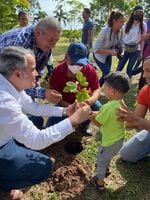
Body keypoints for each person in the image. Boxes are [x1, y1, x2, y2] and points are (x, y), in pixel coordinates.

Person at [0, 46, 93, 200]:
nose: (37, 74)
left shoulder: (10, 84)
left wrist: (65, 112)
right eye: (33, 69)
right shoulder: (4, 101)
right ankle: (4, 187)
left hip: (4, 137)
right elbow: (36, 140)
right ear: (17, 74)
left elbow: (32, 107)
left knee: (35, 120)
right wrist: (74, 120)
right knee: (44, 167)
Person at [0, 16, 62, 104]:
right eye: (51, 40)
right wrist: (42, 93)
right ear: (38, 33)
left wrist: (38, 91)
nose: (53, 46)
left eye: (56, 41)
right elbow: (16, 80)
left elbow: (36, 74)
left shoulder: (46, 48)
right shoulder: (20, 44)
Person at [47, 42, 101, 135]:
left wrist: (90, 101)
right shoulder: (57, 71)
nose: (77, 66)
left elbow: (97, 88)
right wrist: (70, 107)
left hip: (83, 103)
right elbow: (56, 97)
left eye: (80, 64)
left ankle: (85, 124)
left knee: (97, 106)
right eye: (73, 62)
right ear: (66, 56)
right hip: (65, 105)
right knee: (52, 123)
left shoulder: (89, 69)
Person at [91, 71, 130, 190]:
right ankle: (106, 170)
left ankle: (100, 183)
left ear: (112, 91)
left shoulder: (107, 107)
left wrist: (89, 115)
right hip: (119, 139)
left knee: (101, 161)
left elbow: (98, 122)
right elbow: (106, 114)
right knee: (108, 157)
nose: (104, 91)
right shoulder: (121, 103)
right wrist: (96, 113)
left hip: (109, 142)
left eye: (105, 88)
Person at [118, 57, 150, 163]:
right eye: (143, 71)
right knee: (127, 154)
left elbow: (138, 121)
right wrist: (122, 118)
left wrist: (139, 121)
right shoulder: (145, 91)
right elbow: (134, 122)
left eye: (148, 70)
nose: (144, 75)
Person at [93, 10, 124, 86]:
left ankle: (97, 88)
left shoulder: (121, 30)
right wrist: (110, 52)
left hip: (108, 55)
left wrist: (121, 49)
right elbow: (96, 49)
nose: (123, 24)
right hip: (99, 55)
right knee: (107, 73)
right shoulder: (105, 31)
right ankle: (96, 89)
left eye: (123, 22)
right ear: (114, 21)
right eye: (121, 22)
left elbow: (121, 42)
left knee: (106, 73)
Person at [116, 5, 147, 78]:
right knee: (119, 67)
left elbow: (142, 40)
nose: (138, 14)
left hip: (136, 49)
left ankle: (126, 86)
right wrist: (120, 48)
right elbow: (121, 37)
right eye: (137, 12)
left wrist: (141, 53)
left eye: (140, 13)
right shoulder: (126, 24)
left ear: (142, 14)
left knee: (129, 69)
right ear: (133, 12)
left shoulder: (143, 25)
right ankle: (113, 82)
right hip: (125, 48)